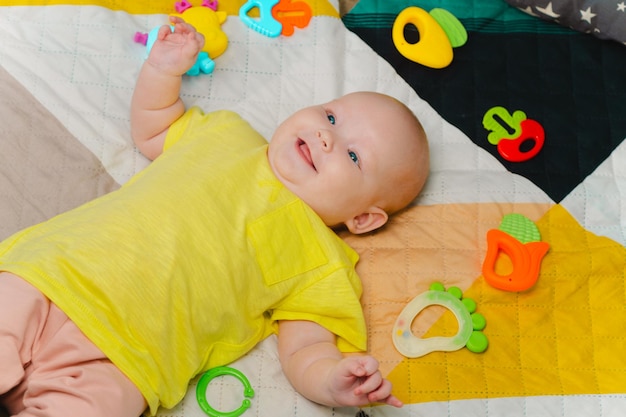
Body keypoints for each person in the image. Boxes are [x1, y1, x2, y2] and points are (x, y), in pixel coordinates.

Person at [0, 17, 429, 417]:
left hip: (127, 358)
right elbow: (154, 129)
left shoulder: (324, 265)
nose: (325, 136)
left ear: (364, 220)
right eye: (332, 117)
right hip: (52, 276)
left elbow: (307, 350)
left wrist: (332, 381)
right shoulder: (228, 133)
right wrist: (162, 71)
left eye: (353, 155)